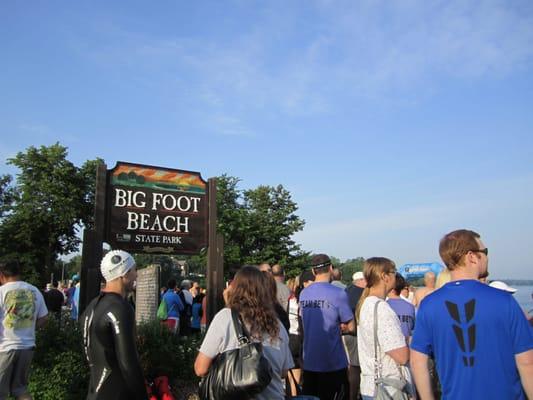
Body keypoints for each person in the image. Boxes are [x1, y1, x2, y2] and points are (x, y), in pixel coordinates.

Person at [410, 229, 533, 399]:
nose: (487, 257)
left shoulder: (429, 305)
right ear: (472, 257)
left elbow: (417, 361)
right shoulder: (504, 301)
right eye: (485, 252)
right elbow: (527, 362)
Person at [194, 265, 294, 399]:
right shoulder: (277, 325)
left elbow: (200, 369)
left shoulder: (225, 318)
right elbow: (283, 372)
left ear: (234, 289)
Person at [80, 250, 148, 400]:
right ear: (123, 273)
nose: (136, 275)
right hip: (116, 392)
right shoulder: (120, 307)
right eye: (134, 270)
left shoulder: (92, 306)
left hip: (95, 391)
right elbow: (129, 363)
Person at [299, 254, 354, 400]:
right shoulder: (338, 293)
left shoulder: (304, 294)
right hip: (332, 362)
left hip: (310, 360)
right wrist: (344, 327)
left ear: (313, 271)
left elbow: (303, 325)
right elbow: (351, 325)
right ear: (330, 268)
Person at [356, 257, 411, 400]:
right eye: (394, 272)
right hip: (388, 386)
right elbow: (401, 356)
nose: (396, 276)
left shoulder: (366, 304)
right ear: (384, 276)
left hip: (371, 384)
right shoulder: (382, 308)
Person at [0, 260, 48, 400]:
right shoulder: (34, 290)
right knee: (20, 389)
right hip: (28, 347)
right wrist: (29, 327)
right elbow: (44, 318)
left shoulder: (2, 292)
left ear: (1, 274)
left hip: (5, 348)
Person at [344, 271, 366, 400]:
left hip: (344, 333)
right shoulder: (363, 294)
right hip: (356, 334)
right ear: (361, 280)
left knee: (350, 366)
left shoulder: (346, 291)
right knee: (356, 367)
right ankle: (354, 396)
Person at [387, 273, 415, 342]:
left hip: (390, 348)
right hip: (406, 347)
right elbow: (412, 327)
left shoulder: (384, 305)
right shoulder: (410, 306)